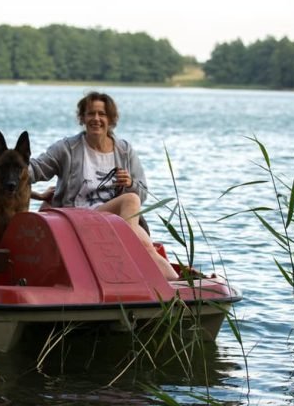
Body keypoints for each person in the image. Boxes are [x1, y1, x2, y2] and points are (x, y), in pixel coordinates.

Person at [28, 91, 180, 281]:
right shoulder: (67, 148)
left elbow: (143, 193)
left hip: (114, 219)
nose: (96, 119)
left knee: (147, 246)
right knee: (131, 201)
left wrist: (130, 183)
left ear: (111, 119)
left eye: (102, 114)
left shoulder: (124, 150)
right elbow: (34, 170)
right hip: (77, 218)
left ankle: (179, 286)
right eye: (91, 113)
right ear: (82, 118)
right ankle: (129, 259)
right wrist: (6, 173)